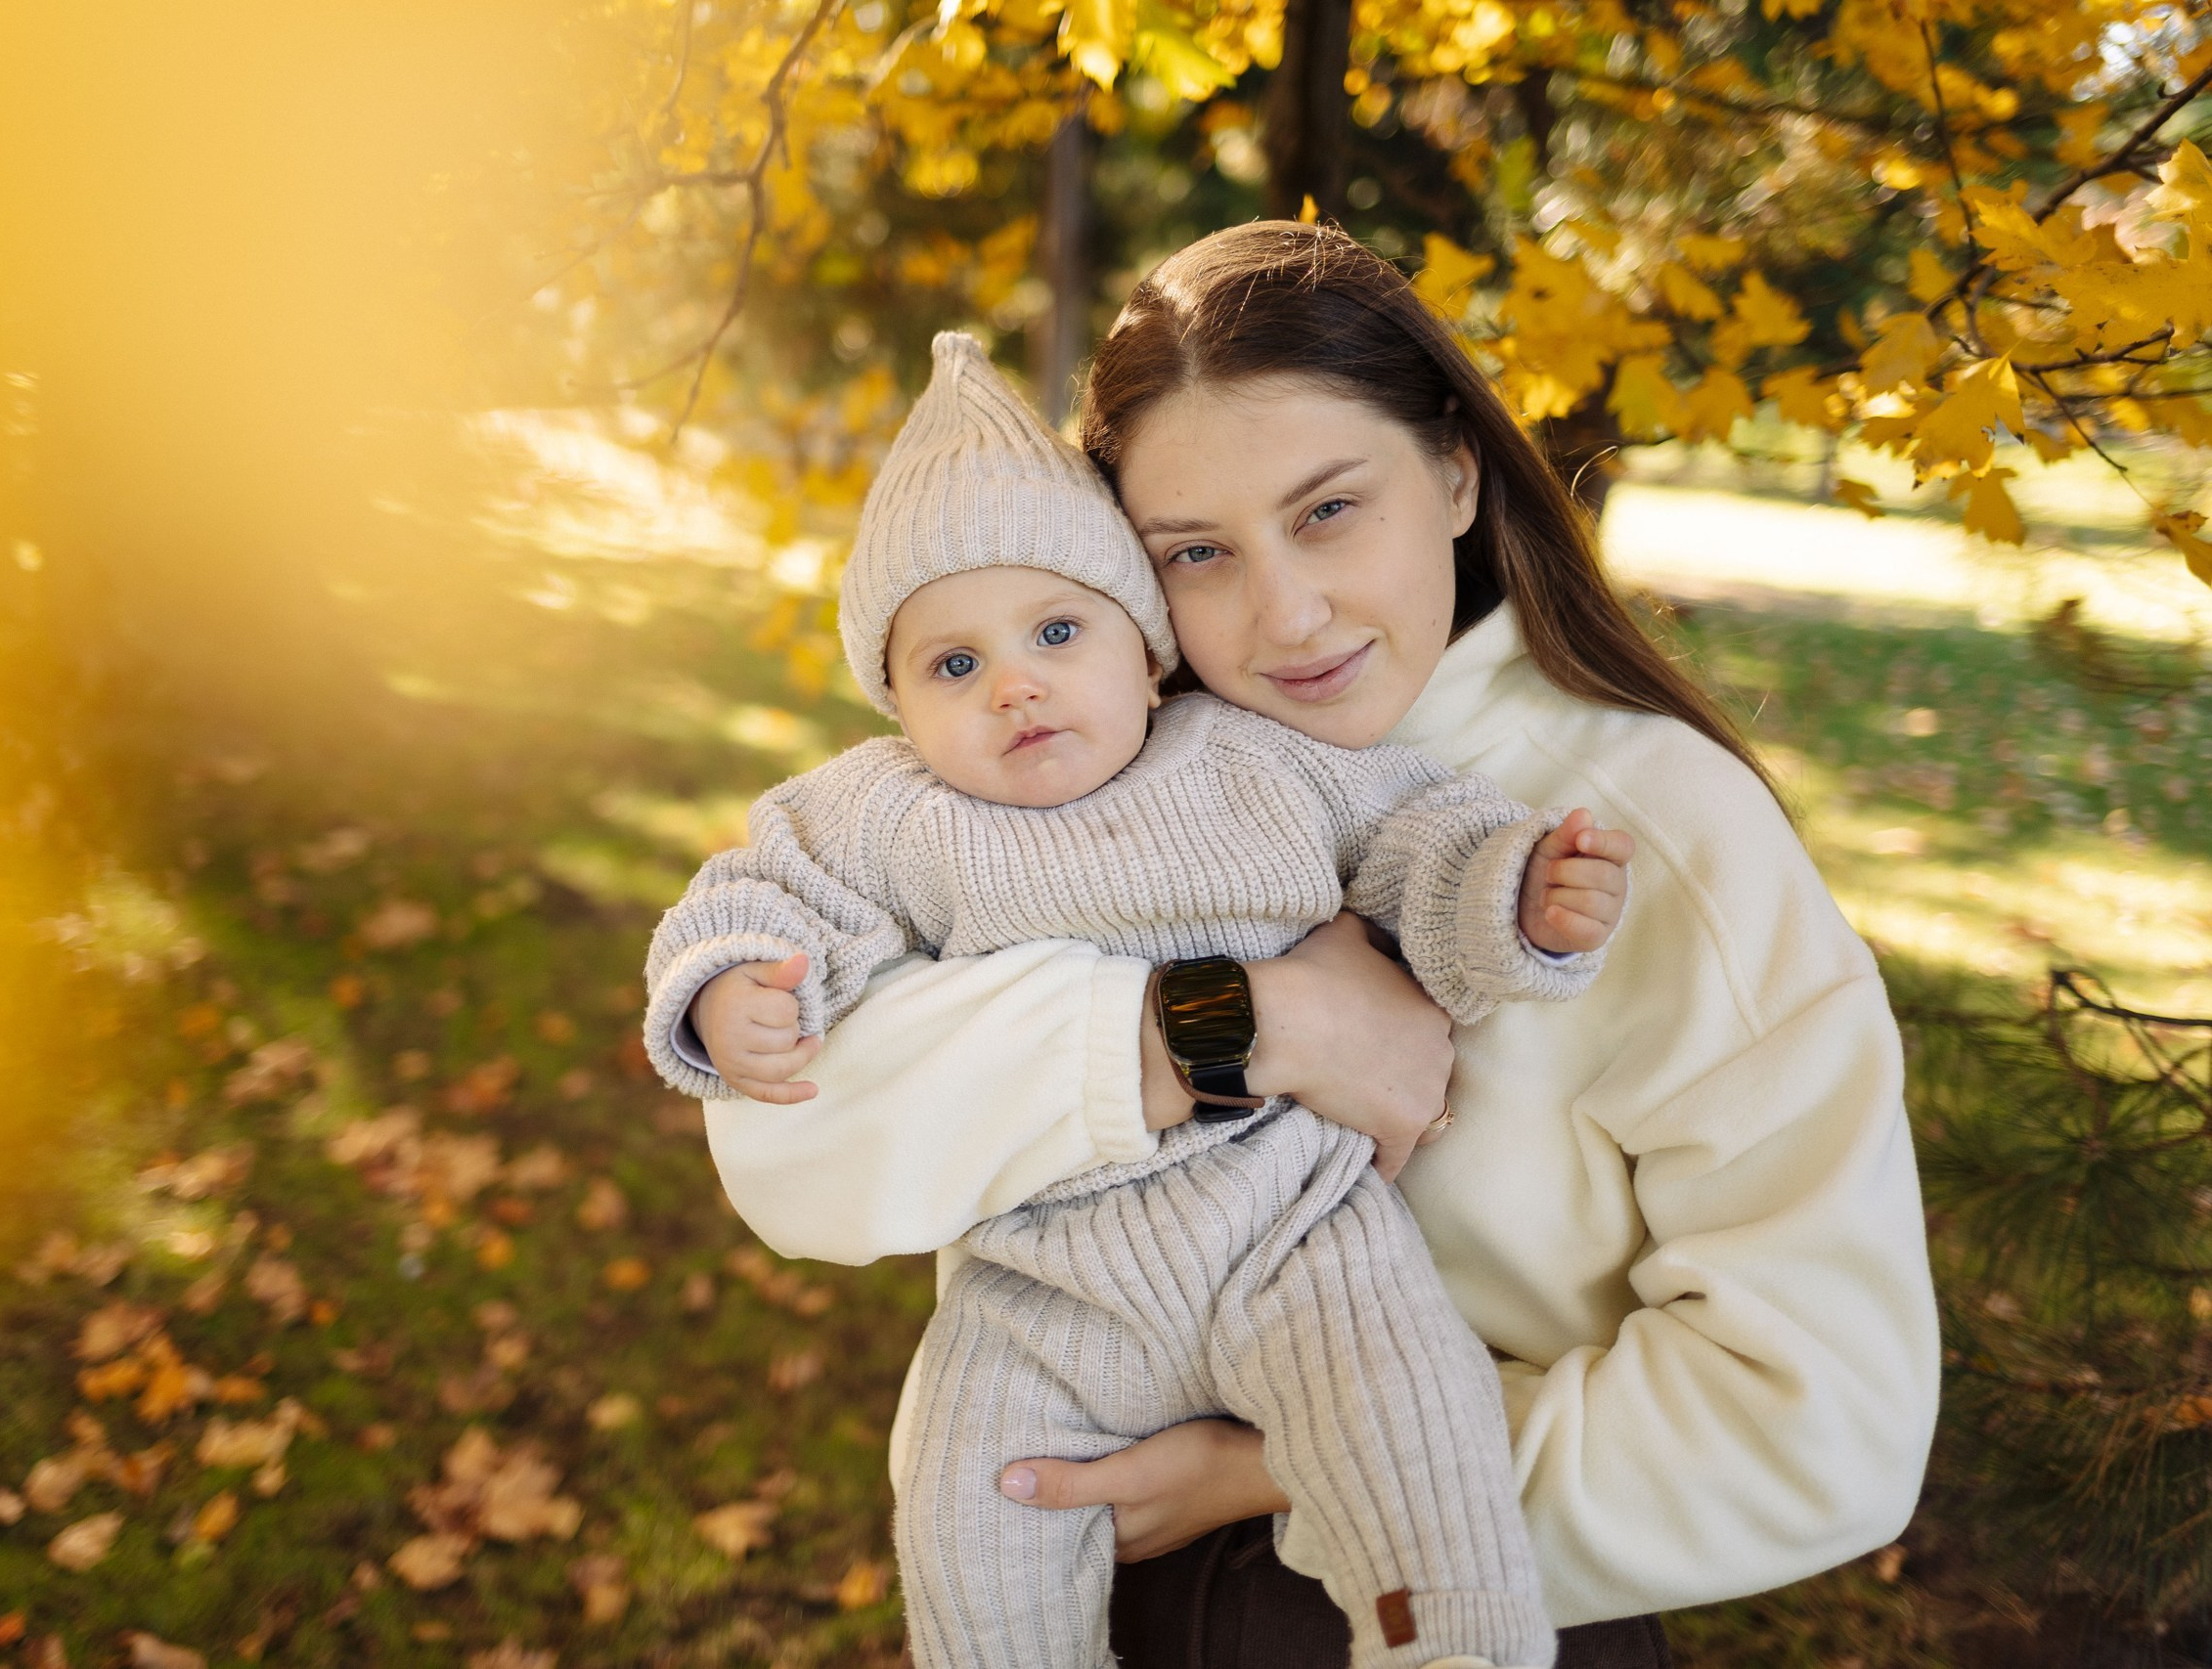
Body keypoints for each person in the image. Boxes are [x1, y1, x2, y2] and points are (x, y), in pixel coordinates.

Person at [688, 223, 1941, 1669]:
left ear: (1457, 473)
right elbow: (789, 1146)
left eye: (1331, 511)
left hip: (1461, 1583)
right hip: (1092, 1581)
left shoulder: (1649, 835)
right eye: (1199, 553)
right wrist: (1240, 1022)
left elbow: (1820, 1426)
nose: (1284, 615)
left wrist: (1280, 1469)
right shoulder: (1061, 790)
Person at [644, 329, 1636, 1669]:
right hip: (1042, 1283)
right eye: (952, 666)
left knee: (1408, 1416)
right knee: (968, 1497)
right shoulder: (886, 814)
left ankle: (1452, 1642)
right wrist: (723, 995)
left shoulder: (1251, 756)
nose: (1015, 683)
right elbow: (760, 894)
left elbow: (1422, 842)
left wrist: (1516, 895)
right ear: (893, 703)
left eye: (1058, 631)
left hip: (1291, 1229)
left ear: (1144, 647)